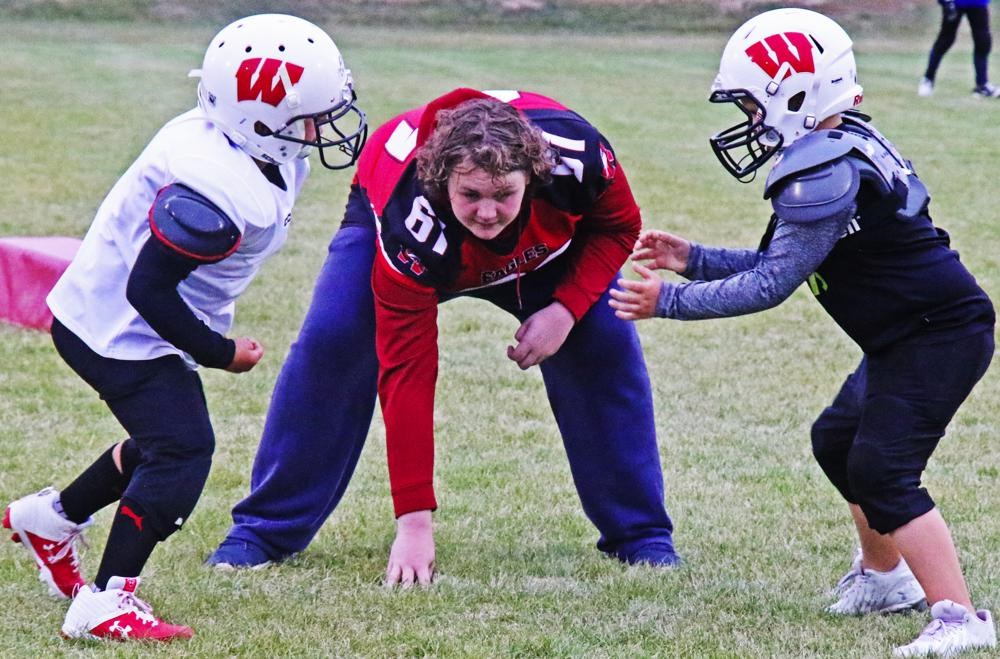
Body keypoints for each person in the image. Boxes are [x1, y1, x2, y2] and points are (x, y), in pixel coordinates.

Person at [609, 9, 996, 658]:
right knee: (838, 440)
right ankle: (883, 579)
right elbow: (784, 259)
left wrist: (669, 300)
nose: (748, 123)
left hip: (937, 334)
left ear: (794, 94)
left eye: (753, 107)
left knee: (883, 467)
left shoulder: (823, 171)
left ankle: (960, 616)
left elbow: (771, 284)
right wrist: (695, 257)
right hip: (907, 333)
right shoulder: (833, 151)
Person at [209, 87, 681, 582]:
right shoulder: (412, 221)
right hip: (406, 220)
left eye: (504, 194)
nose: (487, 212)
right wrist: (414, 522)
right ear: (441, 181)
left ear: (535, 177)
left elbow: (618, 225)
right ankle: (264, 530)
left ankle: (642, 534)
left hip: (545, 251)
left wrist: (565, 310)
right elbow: (408, 371)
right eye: (471, 194)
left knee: (604, 344)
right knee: (333, 346)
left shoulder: (577, 159)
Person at [2, 13, 366, 641]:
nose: (322, 128)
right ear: (259, 119)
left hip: (118, 317)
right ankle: (106, 603)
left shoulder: (239, 145)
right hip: (116, 331)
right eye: (310, 115)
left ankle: (51, 519)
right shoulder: (212, 187)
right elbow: (149, 290)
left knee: (161, 442)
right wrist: (221, 352)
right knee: (184, 450)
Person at [918, 0, 1000, 97]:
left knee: (983, 41)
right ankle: (928, 79)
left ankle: (982, 85)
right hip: (954, 2)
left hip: (977, 2)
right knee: (945, 40)